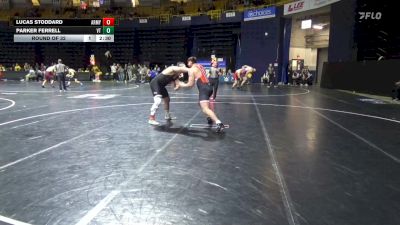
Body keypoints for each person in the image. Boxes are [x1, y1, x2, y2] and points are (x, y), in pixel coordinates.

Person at [177, 56, 225, 133]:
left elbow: (190, 84)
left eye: (188, 61)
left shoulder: (192, 70)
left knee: (205, 108)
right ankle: (209, 118)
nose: (187, 63)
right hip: (208, 87)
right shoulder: (200, 66)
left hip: (204, 89)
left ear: (191, 62)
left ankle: (219, 123)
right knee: (200, 103)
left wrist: (180, 84)